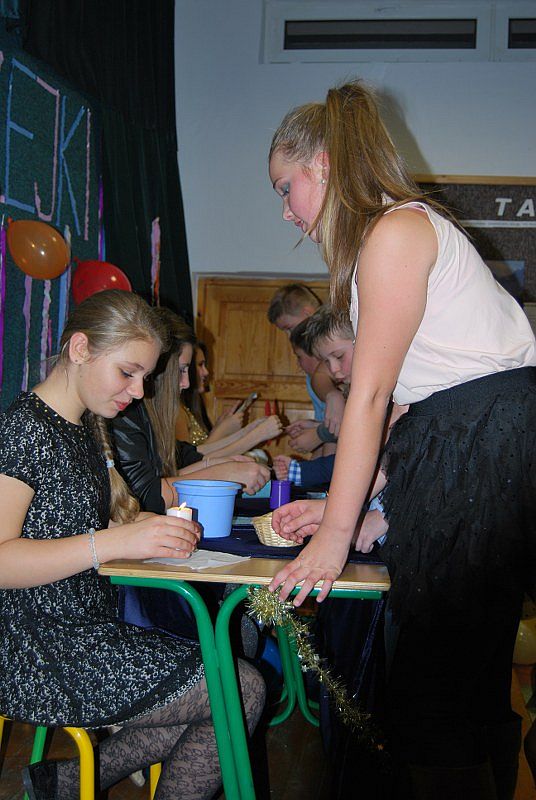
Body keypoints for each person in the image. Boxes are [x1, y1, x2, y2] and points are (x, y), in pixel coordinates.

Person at [267, 80, 536, 799]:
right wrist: (349, 513)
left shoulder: (393, 232)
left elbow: (371, 397)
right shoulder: (391, 236)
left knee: (435, 694)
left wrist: (333, 538)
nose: (287, 210)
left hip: (483, 438)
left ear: (322, 164)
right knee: (463, 690)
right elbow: (405, 407)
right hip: (473, 436)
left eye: (286, 188)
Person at [0, 290, 265, 800]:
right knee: (239, 689)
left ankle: (66, 781)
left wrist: (146, 528)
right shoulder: (22, 431)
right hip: (34, 649)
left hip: (81, 633)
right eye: (128, 372)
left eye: (144, 376)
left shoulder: (80, 427)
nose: (139, 391)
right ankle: (68, 781)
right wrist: (116, 539)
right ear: (81, 349)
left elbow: (71, 522)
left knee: (232, 690)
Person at [176, 341, 283, 458]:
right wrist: (224, 431)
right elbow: (195, 460)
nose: (206, 372)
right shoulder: (176, 411)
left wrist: (248, 430)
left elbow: (199, 451)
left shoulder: (191, 406)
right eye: (200, 365)